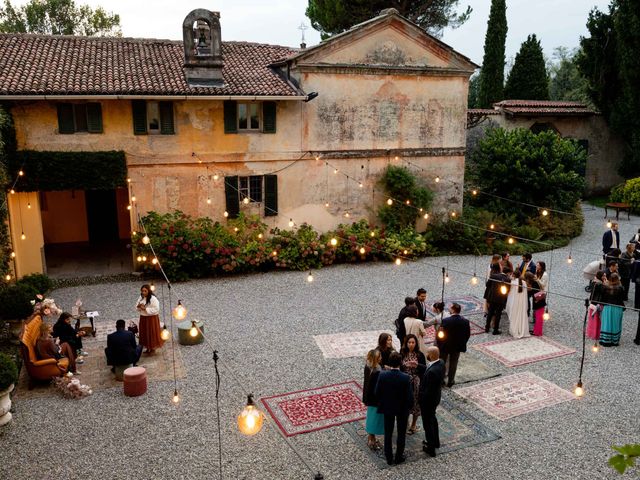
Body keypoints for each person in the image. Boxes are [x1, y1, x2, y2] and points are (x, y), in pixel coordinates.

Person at [374, 352, 413, 466]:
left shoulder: (382, 375)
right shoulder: (406, 378)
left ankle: (389, 457)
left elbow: (377, 392)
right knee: (401, 433)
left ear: (390, 362)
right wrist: (408, 407)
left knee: (388, 433)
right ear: (400, 363)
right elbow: (409, 397)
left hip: (388, 407)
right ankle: (399, 457)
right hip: (402, 409)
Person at [418, 346, 445, 458]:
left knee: (427, 424)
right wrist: (418, 366)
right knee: (433, 419)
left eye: (428, 353)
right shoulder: (440, 363)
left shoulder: (432, 373)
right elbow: (429, 367)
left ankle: (431, 448)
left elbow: (427, 392)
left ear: (432, 355)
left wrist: (419, 399)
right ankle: (435, 442)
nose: (426, 355)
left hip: (428, 402)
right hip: (436, 398)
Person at [436, 303, 470, 387]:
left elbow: (440, 334)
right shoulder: (465, 321)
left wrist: (439, 343)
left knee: (442, 362)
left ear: (453, 310)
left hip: (445, 346)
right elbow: (467, 334)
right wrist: (463, 342)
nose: (449, 310)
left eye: (450, 308)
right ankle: (451, 381)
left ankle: (441, 380)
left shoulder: (446, 321)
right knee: (453, 363)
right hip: (457, 346)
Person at [400, 334, 426, 435]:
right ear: (406, 344)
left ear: (416, 343)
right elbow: (397, 366)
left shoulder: (420, 355)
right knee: (405, 402)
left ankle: (413, 425)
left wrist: (417, 365)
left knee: (416, 403)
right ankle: (406, 422)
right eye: (409, 342)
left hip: (416, 382)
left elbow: (424, 368)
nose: (411, 344)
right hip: (405, 381)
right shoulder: (402, 353)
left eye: (413, 342)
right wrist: (404, 365)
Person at [362, 349, 384, 451]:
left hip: (369, 397)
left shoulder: (368, 366)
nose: (381, 358)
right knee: (374, 419)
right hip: (375, 400)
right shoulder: (377, 371)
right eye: (379, 357)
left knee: (371, 416)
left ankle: (371, 437)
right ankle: (371, 439)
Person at [136, 284, 163, 354]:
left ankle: (152, 347)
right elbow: (136, 305)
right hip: (143, 318)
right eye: (142, 291)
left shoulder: (153, 299)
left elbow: (156, 309)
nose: (143, 292)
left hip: (151, 318)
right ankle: (148, 347)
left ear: (148, 291)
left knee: (151, 332)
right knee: (145, 332)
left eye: (145, 291)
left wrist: (145, 309)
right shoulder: (141, 297)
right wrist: (139, 307)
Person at [599, 273, 625, 347]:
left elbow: (602, 298)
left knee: (607, 323)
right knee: (615, 323)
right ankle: (614, 341)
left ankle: (605, 340)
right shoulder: (621, 288)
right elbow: (623, 298)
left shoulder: (605, 287)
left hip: (607, 307)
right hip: (617, 307)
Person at [485, 263, 510, 335]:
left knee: (490, 312)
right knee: (498, 314)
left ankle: (487, 328)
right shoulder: (508, 280)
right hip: (501, 299)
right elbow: (507, 291)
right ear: (508, 273)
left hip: (492, 297)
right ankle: (495, 330)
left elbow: (487, 285)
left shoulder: (493, 276)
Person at [507, 274, 530, 339]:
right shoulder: (524, 283)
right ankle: (521, 330)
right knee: (521, 316)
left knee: (514, 316)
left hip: (515, 303)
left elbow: (510, 293)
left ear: (514, 275)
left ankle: (513, 330)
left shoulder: (513, 282)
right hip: (522, 303)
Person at [587, 271, 606, 341]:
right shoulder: (600, 284)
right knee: (598, 320)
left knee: (592, 320)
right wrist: (605, 284)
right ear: (600, 276)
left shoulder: (594, 282)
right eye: (603, 276)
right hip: (598, 303)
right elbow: (604, 292)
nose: (605, 277)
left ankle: (591, 333)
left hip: (593, 303)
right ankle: (597, 334)